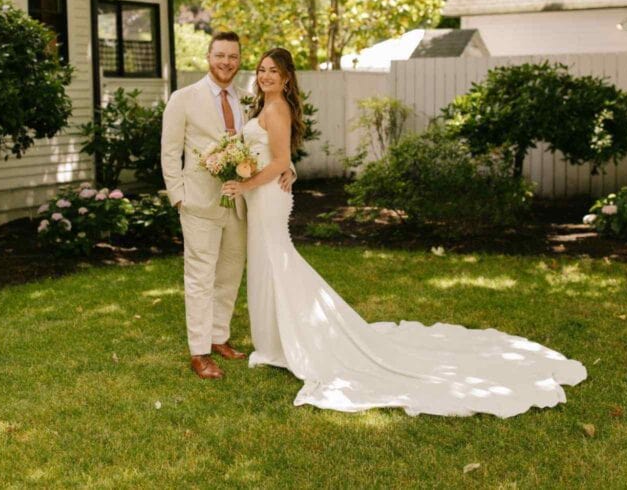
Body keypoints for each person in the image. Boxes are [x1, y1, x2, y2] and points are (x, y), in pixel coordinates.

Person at [221, 48, 588, 417]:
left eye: (274, 71)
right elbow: (275, 159)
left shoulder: (278, 108)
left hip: (268, 197)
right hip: (263, 196)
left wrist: (246, 183)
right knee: (270, 265)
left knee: (277, 264)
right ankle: (274, 343)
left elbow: (282, 161)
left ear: (286, 78)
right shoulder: (262, 108)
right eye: (262, 70)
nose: (266, 75)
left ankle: (285, 345)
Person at [160, 32, 293, 379]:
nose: (227, 63)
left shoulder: (245, 100)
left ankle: (219, 337)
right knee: (200, 277)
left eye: (233, 57)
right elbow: (170, 151)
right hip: (199, 203)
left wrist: (288, 168)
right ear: (208, 57)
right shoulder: (183, 98)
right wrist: (178, 195)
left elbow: (264, 144)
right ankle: (199, 351)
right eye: (220, 55)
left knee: (231, 272)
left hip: (239, 204)